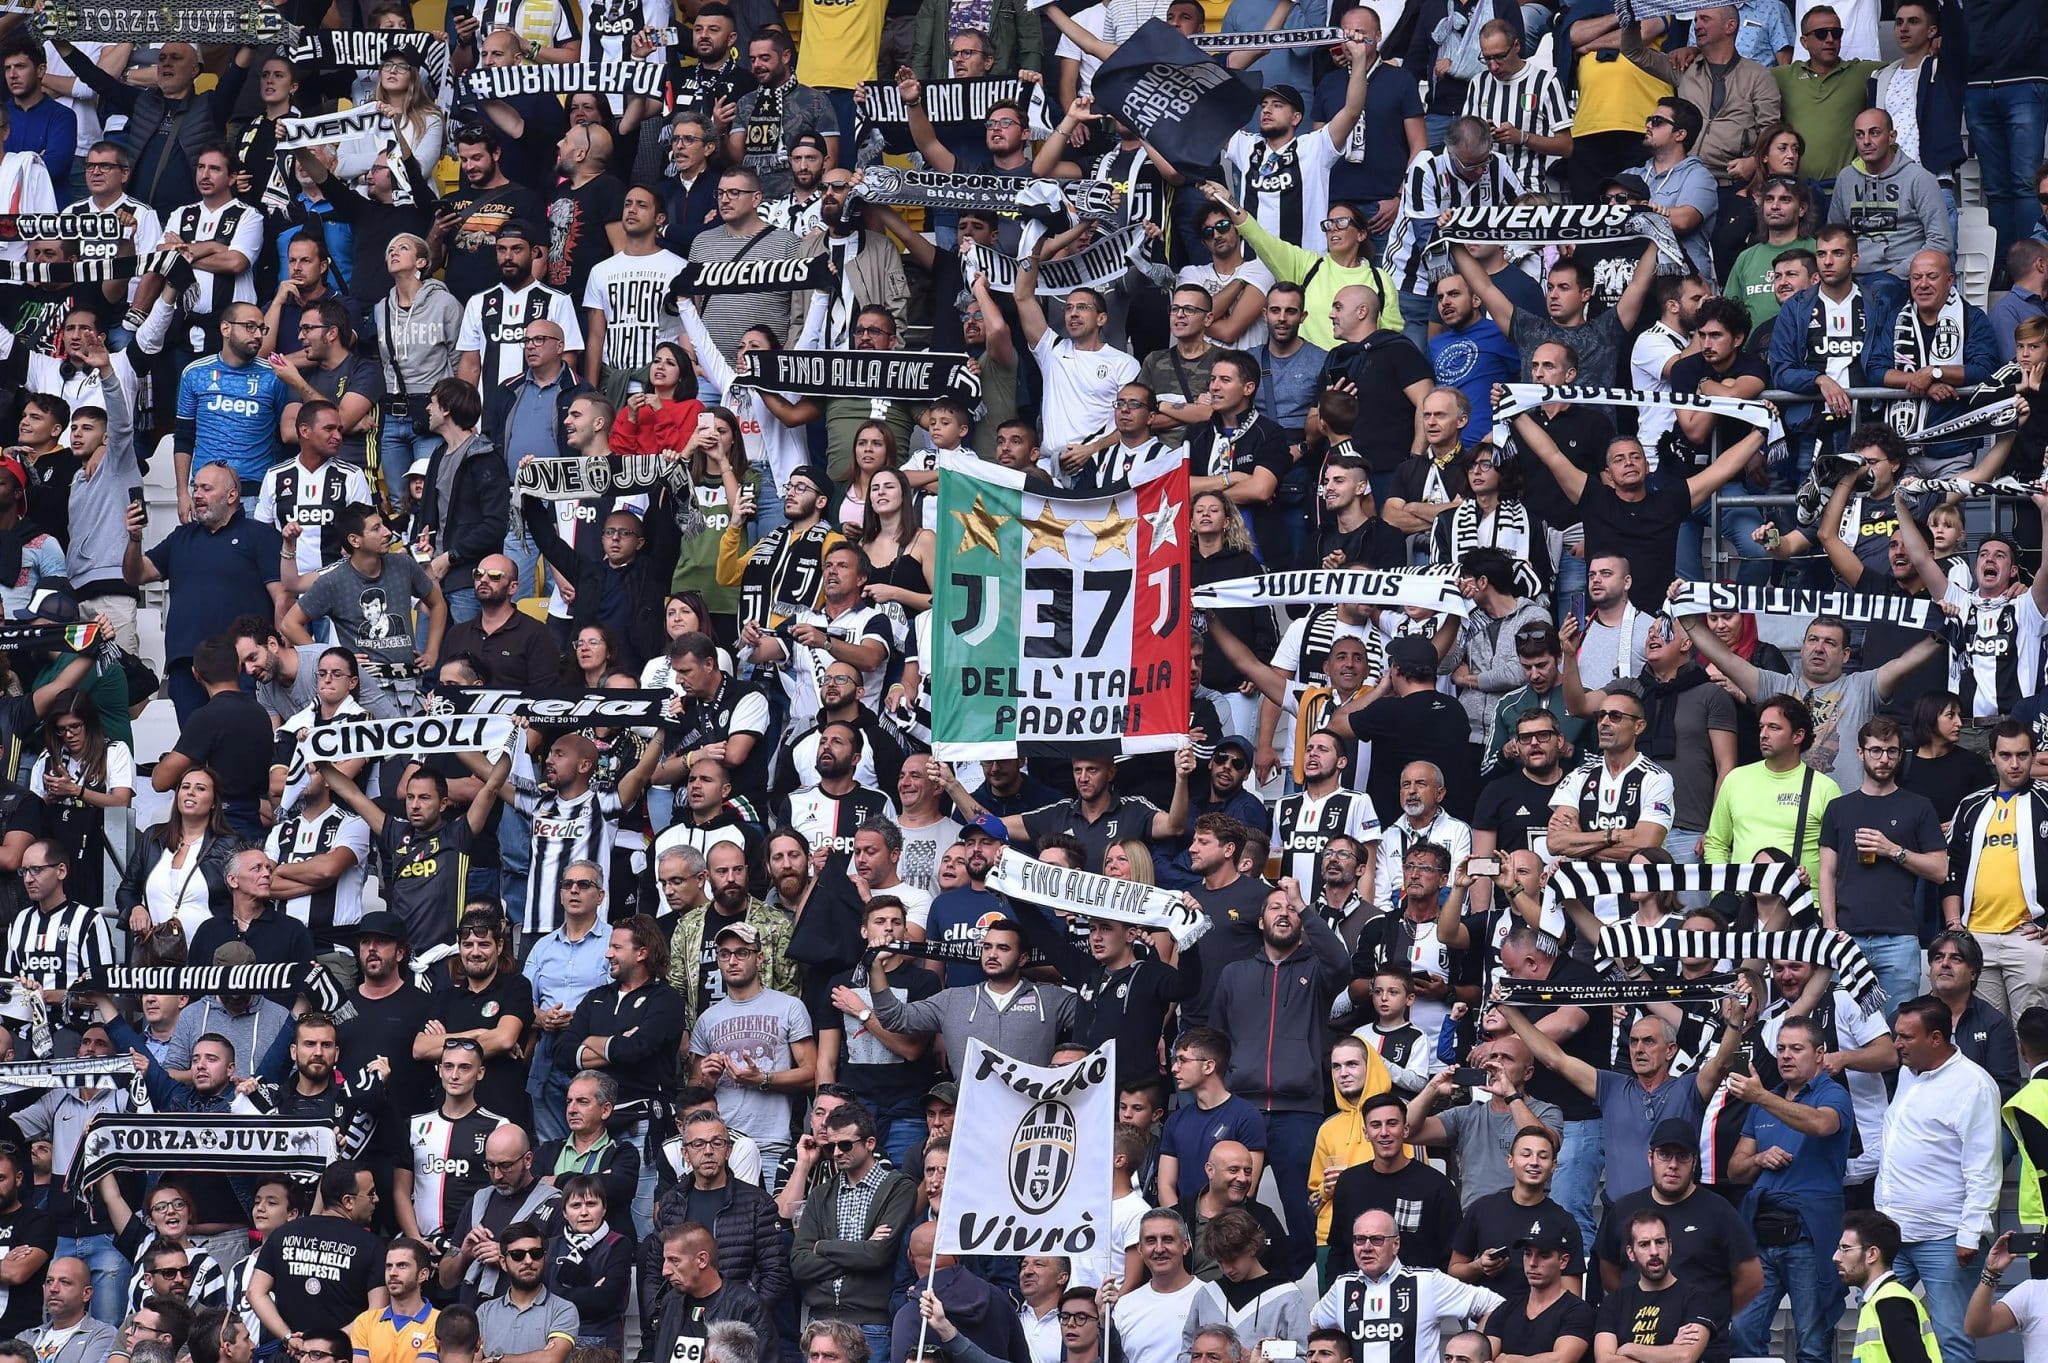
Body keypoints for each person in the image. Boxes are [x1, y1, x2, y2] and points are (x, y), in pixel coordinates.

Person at [1876, 996, 2003, 1363]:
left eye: (1906, 1037)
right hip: (1893, 1233)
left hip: (1945, 1238)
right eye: (1896, 1035)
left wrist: (1970, 1234)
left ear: (1935, 1038)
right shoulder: (1907, 1073)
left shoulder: (1974, 1086)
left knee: (1952, 1340)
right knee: (1881, 1329)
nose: (1897, 1044)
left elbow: (1983, 1166)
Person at [789, 1101, 914, 1357]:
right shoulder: (820, 1194)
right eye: (830, 1146)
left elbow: (878, 1256)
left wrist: (822, 1247)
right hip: (820, 1322)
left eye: (845, 1145)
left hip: (871, 1324)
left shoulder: (899, 1188)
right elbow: (800, 1264)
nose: (836, 1153)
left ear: (870, 1143)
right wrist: (862, 1249)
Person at [1310, 1209, 1503, 1356]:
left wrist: (1476, 1354)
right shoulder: (1342, 1287)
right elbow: (1315, 1324)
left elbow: (1494, 1305)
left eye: (1376, 1240)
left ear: (1396, 1244)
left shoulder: (1427, 1282)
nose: (1366, 1247)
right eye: (1359, 1240)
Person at [245, 1161, 386, 1345]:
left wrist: (288, 1337)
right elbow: (378, 1310)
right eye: (371, 1193)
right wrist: (328, 1345)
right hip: (344, 1353)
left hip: (292, 1351)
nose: (376, 1199)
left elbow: (255, 1292)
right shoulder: (373, 1246)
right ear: (348, 1202)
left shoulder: (282, 1235)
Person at [1593, 1210, 1719, 1363]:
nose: (1654, 1252)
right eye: (1644, 1244)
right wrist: (1669, 1352)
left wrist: (1629, 1349)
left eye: (1660, 1242)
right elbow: (1605, 1360)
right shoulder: (1614, 1303)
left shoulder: (1696, 1298)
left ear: (1670, 1246)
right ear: (1631, 1253)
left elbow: (1685, 1357)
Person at [648, 1221, 775, 1363]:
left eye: (674, 1260)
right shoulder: (671, 1302)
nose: (665, 1271)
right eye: (665, 1260)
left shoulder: (746, 1306)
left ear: (702, 1260)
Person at [1836, 1211, 1941, 1363]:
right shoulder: (1877, 1300)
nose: (1836, 1257)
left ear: (1872, 1254)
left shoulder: (1891, 1302)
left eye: (1845, 1249)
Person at [1106, 1212, 1205, 1363]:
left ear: (1185, 1246)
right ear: (1140, 1249)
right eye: (1151, 1241)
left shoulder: (1208, 1297)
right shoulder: (1123, 1306)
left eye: (1168, 1239)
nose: (1159, 1249)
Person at [473, 1221, 576, 1363]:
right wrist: (538, 1356)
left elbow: (551, 1359)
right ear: (503, 1262)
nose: (528, 1261)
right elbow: (473, 1360)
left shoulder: (563, 1309)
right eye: (518, 1255)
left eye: (536, 1253)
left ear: (544, 1258)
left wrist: (497, 1359)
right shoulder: (485, 1312)